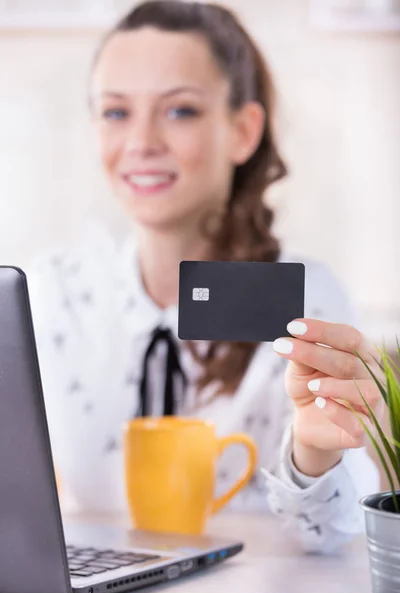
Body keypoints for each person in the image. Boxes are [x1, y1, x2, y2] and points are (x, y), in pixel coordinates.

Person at [27, 0, 381, 554]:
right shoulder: (51, 293)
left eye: (180, 111)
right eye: (116, 112)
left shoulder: (308, 297)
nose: (141, 142)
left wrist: (316, 452)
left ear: (243, 131)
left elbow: (344, 535)